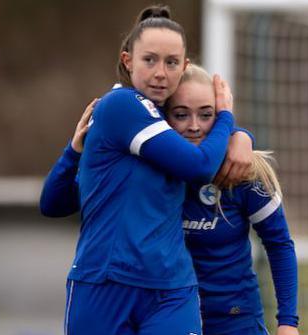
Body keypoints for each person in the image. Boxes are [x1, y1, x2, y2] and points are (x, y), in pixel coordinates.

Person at [42, 63, 300, 335]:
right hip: (164, 315)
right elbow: (54, 203)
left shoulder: (242, 169)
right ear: (161, 118)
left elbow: (279, 242)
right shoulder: (141, 168)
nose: (194, 126)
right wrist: (74, 151)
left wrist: (288, 322)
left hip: (233, 319)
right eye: (180, 114)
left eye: (206, 114)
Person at [41, 5, 253, 335]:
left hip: (171, 290)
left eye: (171, 63)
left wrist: (241, 135)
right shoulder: (122, 106)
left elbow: (200, 138)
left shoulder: (167, 119)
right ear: (127, 61)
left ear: (183, 67)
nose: (160, 73)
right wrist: (74, 150)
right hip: (105, 283)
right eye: (149, 59)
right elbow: (53, 204)